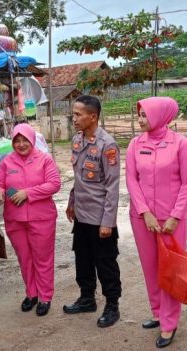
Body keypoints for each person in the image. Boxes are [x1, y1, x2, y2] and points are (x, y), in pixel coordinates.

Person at [125, 97, 187, 348]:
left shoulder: (181, 144)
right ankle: (157, 312)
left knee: (171, 271)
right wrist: (145, 212)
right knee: (150, 267)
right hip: (142, 218)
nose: (140, 120)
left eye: (145, 115)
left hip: (171, 221)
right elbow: (132, 180)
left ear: (160, 116)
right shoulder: (135, 144)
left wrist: (176, 216)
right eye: (139, 115)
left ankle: (169, 322)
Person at [63, 95, 122, 328]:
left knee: (105, 263)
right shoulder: (77, 139)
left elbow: (112, 187)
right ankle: (87, 298)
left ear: (93, 117)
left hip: (100, 218)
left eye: (78, 114)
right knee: (83, 260)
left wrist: (108, 222)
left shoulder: (107, 145)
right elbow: (79, 178)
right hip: (82, 214)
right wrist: (71, 202)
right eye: (74, 114)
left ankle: (112, 305)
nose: (74, 118)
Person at [0, 124, 61, 316]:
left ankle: (45, 296)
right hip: (15, 220)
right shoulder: (7, 162)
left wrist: (27, 193)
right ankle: (31, 293)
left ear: (32, 140)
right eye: (17, 140)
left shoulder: (44, 160)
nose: (21, 144)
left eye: (25, 140)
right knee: (24, 258)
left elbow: (54, 184)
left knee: (43, 258)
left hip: (41, 218)